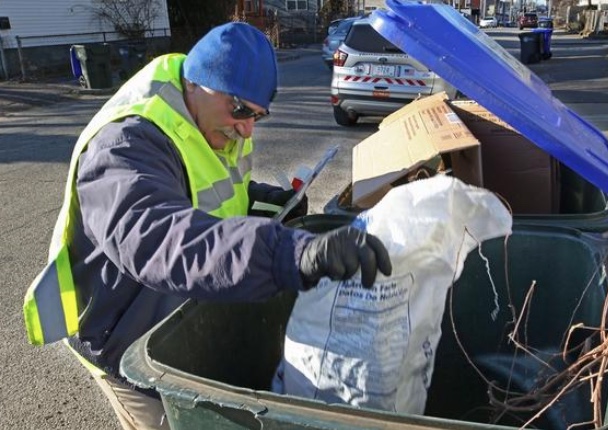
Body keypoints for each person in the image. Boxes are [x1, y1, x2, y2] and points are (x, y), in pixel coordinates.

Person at [23, 22, 391, 429]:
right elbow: (161, 238)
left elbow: (205, 186)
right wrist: (287, 253)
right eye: (239, 110)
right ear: (197, 84)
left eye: (258, 116)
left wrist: (260, 198)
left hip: (175, 312)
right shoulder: (125, 146)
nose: (247, 127)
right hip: (125, 336)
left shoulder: (206, 118)